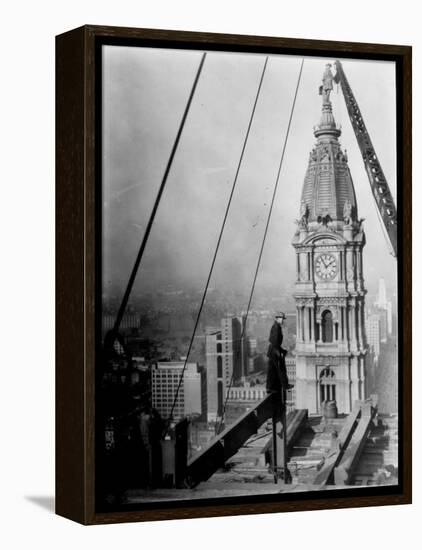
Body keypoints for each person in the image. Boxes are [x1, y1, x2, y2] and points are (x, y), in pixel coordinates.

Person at [266, 312, 293, 393]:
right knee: (281, 368)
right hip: (274, 351)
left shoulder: (276, 327)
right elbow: (273, 341)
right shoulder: (276, 327)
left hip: (273, 350)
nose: (282, 320)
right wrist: (279, 352)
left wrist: (281, 350)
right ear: (277, 318)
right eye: (281, 319)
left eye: (282, 319)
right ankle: (285, 385)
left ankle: (270, 387)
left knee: (272, 370)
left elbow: (273, 341)